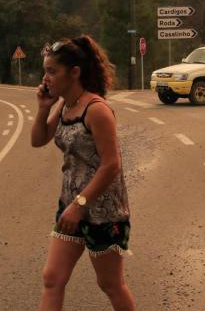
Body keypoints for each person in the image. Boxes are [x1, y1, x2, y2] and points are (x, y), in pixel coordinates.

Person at [31, 36, 136, 311]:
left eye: (52, 71)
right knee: (52, 278)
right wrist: (43, 108)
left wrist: (81, 205)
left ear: (74, 72)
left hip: (103, 212)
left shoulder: (96, 109)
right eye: (46, 71)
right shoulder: (65, 104)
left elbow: (111, 164)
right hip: (70, 207)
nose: (46, 78)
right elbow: (38, 139)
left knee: (111, 284)